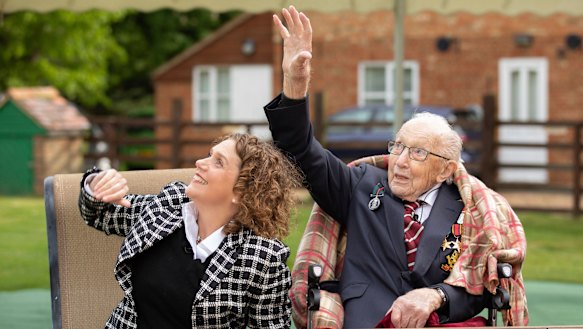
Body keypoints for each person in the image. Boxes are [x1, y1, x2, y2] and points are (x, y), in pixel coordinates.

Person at [264, 6, 528, 328]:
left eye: (417, 152)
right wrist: (295, 82)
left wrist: (437, 295)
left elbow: (483, 290)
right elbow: (300, 151)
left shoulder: (470, 208)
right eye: (398, 146)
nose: (400, 161)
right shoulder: (360, 185)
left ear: (445, 169)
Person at [78, 132, 303, 329]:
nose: (199, 162)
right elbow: (99, 214)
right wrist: (96, 183)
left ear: (243, 190)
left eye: (218, 162)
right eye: (209, 155)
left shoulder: (261, 258)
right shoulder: (168, 204)